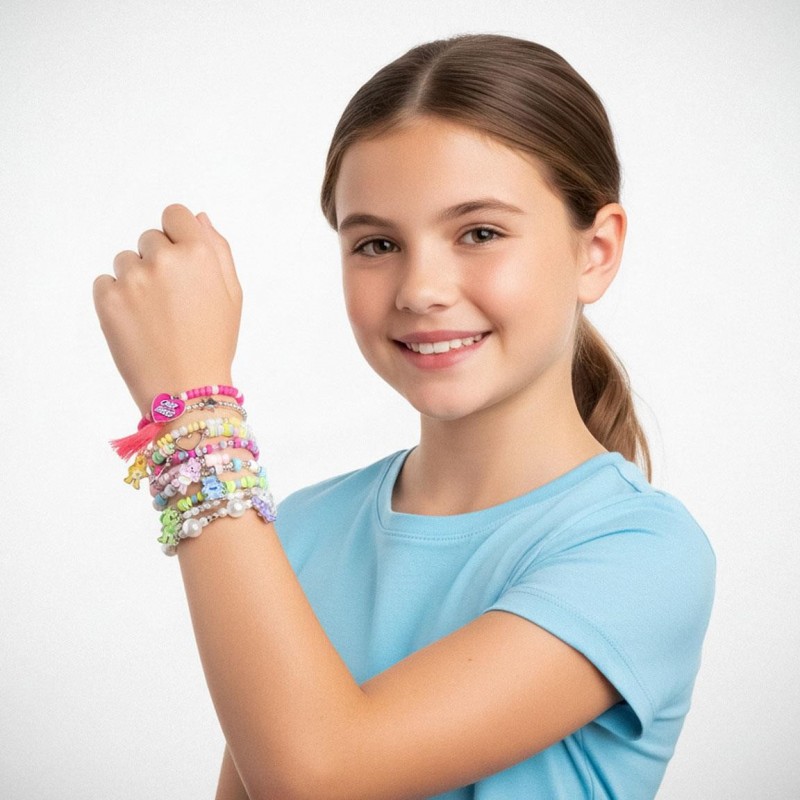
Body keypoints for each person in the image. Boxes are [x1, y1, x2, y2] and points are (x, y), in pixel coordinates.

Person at [93, 33, 715, 800]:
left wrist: (192, 411)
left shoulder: (643, 552)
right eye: (377, 243)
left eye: (480, 233)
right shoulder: (302, 528)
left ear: (596, 250)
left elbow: (322, 773)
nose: (421, 289)